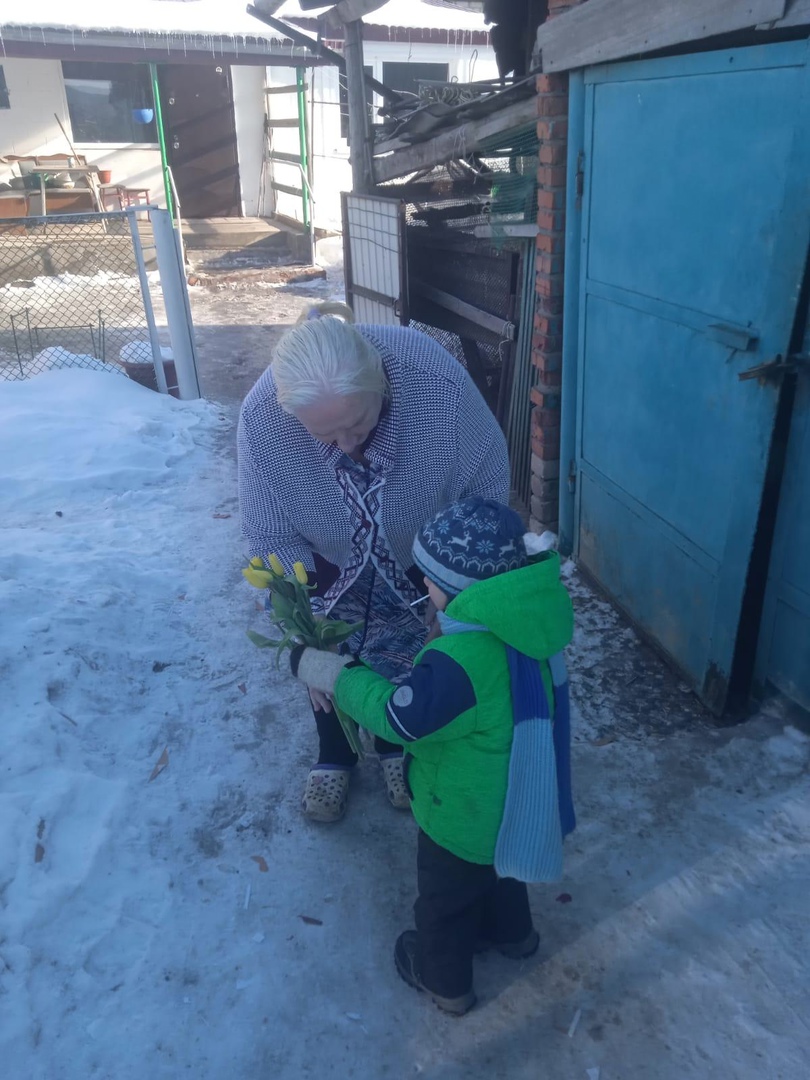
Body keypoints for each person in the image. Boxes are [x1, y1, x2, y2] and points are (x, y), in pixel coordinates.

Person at [288, 497, 575, 1014]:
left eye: (430, 577)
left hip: (462, 813)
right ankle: (514, 936)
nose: (423, 585)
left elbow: (400, 718)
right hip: (517, 798)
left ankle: (445, 982)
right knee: (502, 874)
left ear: (461, 591)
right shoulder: (526, 621)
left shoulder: (461, 662)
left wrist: (334, 673)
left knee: (444, 902)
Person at [237, 305, 511, 822]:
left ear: (380, 381)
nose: (346, 444)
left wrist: (456, 592)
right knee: (330, 654)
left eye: (359, 422)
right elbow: (267, 534)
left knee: (413, 641)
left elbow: (487, 484)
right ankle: (336, 751)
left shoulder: (435, 381)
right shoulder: (263, 420)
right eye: (325, 435)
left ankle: (393, 744)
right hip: (319, 552)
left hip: (423, 543)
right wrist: (304, 631)